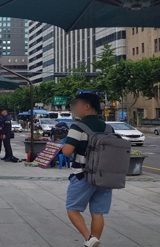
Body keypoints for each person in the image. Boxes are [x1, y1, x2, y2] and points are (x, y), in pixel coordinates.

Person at [61, 93, 112, 247]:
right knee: (97, 212)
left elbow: (67, 151)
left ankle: (88, 238)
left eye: (76, 105)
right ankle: (93, 242)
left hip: (82, 175)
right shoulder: (108, 127)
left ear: (87, 106)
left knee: (72, 209)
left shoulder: (78, 127)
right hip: (104, 177)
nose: (74, 108)